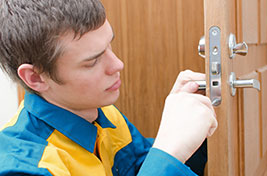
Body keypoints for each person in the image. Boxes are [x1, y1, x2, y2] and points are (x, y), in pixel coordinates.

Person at [0, 0, 217, 175]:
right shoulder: (22, 167)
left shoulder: (104, 114)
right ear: (35, 78)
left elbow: (144, 167)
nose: (117, 65)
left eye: (109, 45)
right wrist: (168, 153)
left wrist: (188, 129)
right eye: (93, 61)